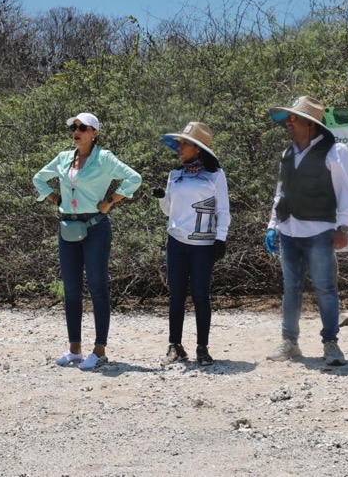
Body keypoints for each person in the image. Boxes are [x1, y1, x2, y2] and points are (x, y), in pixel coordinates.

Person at [33, 112, 142, 370]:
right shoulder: (63, 158)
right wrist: (54, 199)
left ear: (95, 133)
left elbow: (134, 178)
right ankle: (74, 350)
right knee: (71, 289)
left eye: (83, 127)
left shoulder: (104, 158)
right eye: (74, 126)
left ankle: (100, 350)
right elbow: (38, 178)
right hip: (68, 228)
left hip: (95, 228)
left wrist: (111, 201)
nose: (77, 130)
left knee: (97, 287)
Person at [263, 96, 348, 366]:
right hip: (289, 230)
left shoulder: (335, 151)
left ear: (310, 123)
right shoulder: (287, 153)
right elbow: (281, 192)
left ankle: (331, 343)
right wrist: (272, 226)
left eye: (294, 118)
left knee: (325, 289)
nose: (288, 124)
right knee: (290, 289)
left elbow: (345, 193)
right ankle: (290, 342)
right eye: (288, 119)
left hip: (319, 231)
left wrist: (344, 227)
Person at [154, 122, 231, 366]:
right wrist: (162, 198)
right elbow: (169, 211)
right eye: (178, 143)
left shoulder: (215, 175)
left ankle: (202, 348)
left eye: (184, 143)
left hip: (203, 244)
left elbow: (223, 210)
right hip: (176, 241)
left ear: (197, 148)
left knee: (200, 295)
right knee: (176, 295)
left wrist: (221, 238)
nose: (179, 147)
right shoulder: (174, 175)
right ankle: (175, 346)